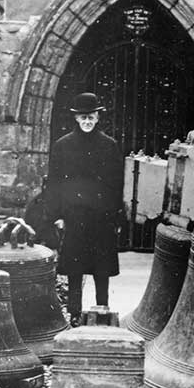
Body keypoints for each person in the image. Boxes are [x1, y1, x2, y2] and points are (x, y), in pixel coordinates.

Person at [45, 92, 124, 326]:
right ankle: (75, 313)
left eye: (91, 116)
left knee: (101, 266)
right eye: (83, 117)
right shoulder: (63, 146)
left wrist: (115, 214)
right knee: (75, 267)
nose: (87, 121)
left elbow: (116, 183)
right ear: (76, 119)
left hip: (102, 217)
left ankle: (101, 309)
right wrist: (57, 215)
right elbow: (55, 184)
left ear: (98, 117)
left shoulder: (109, 146)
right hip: (73, 216)